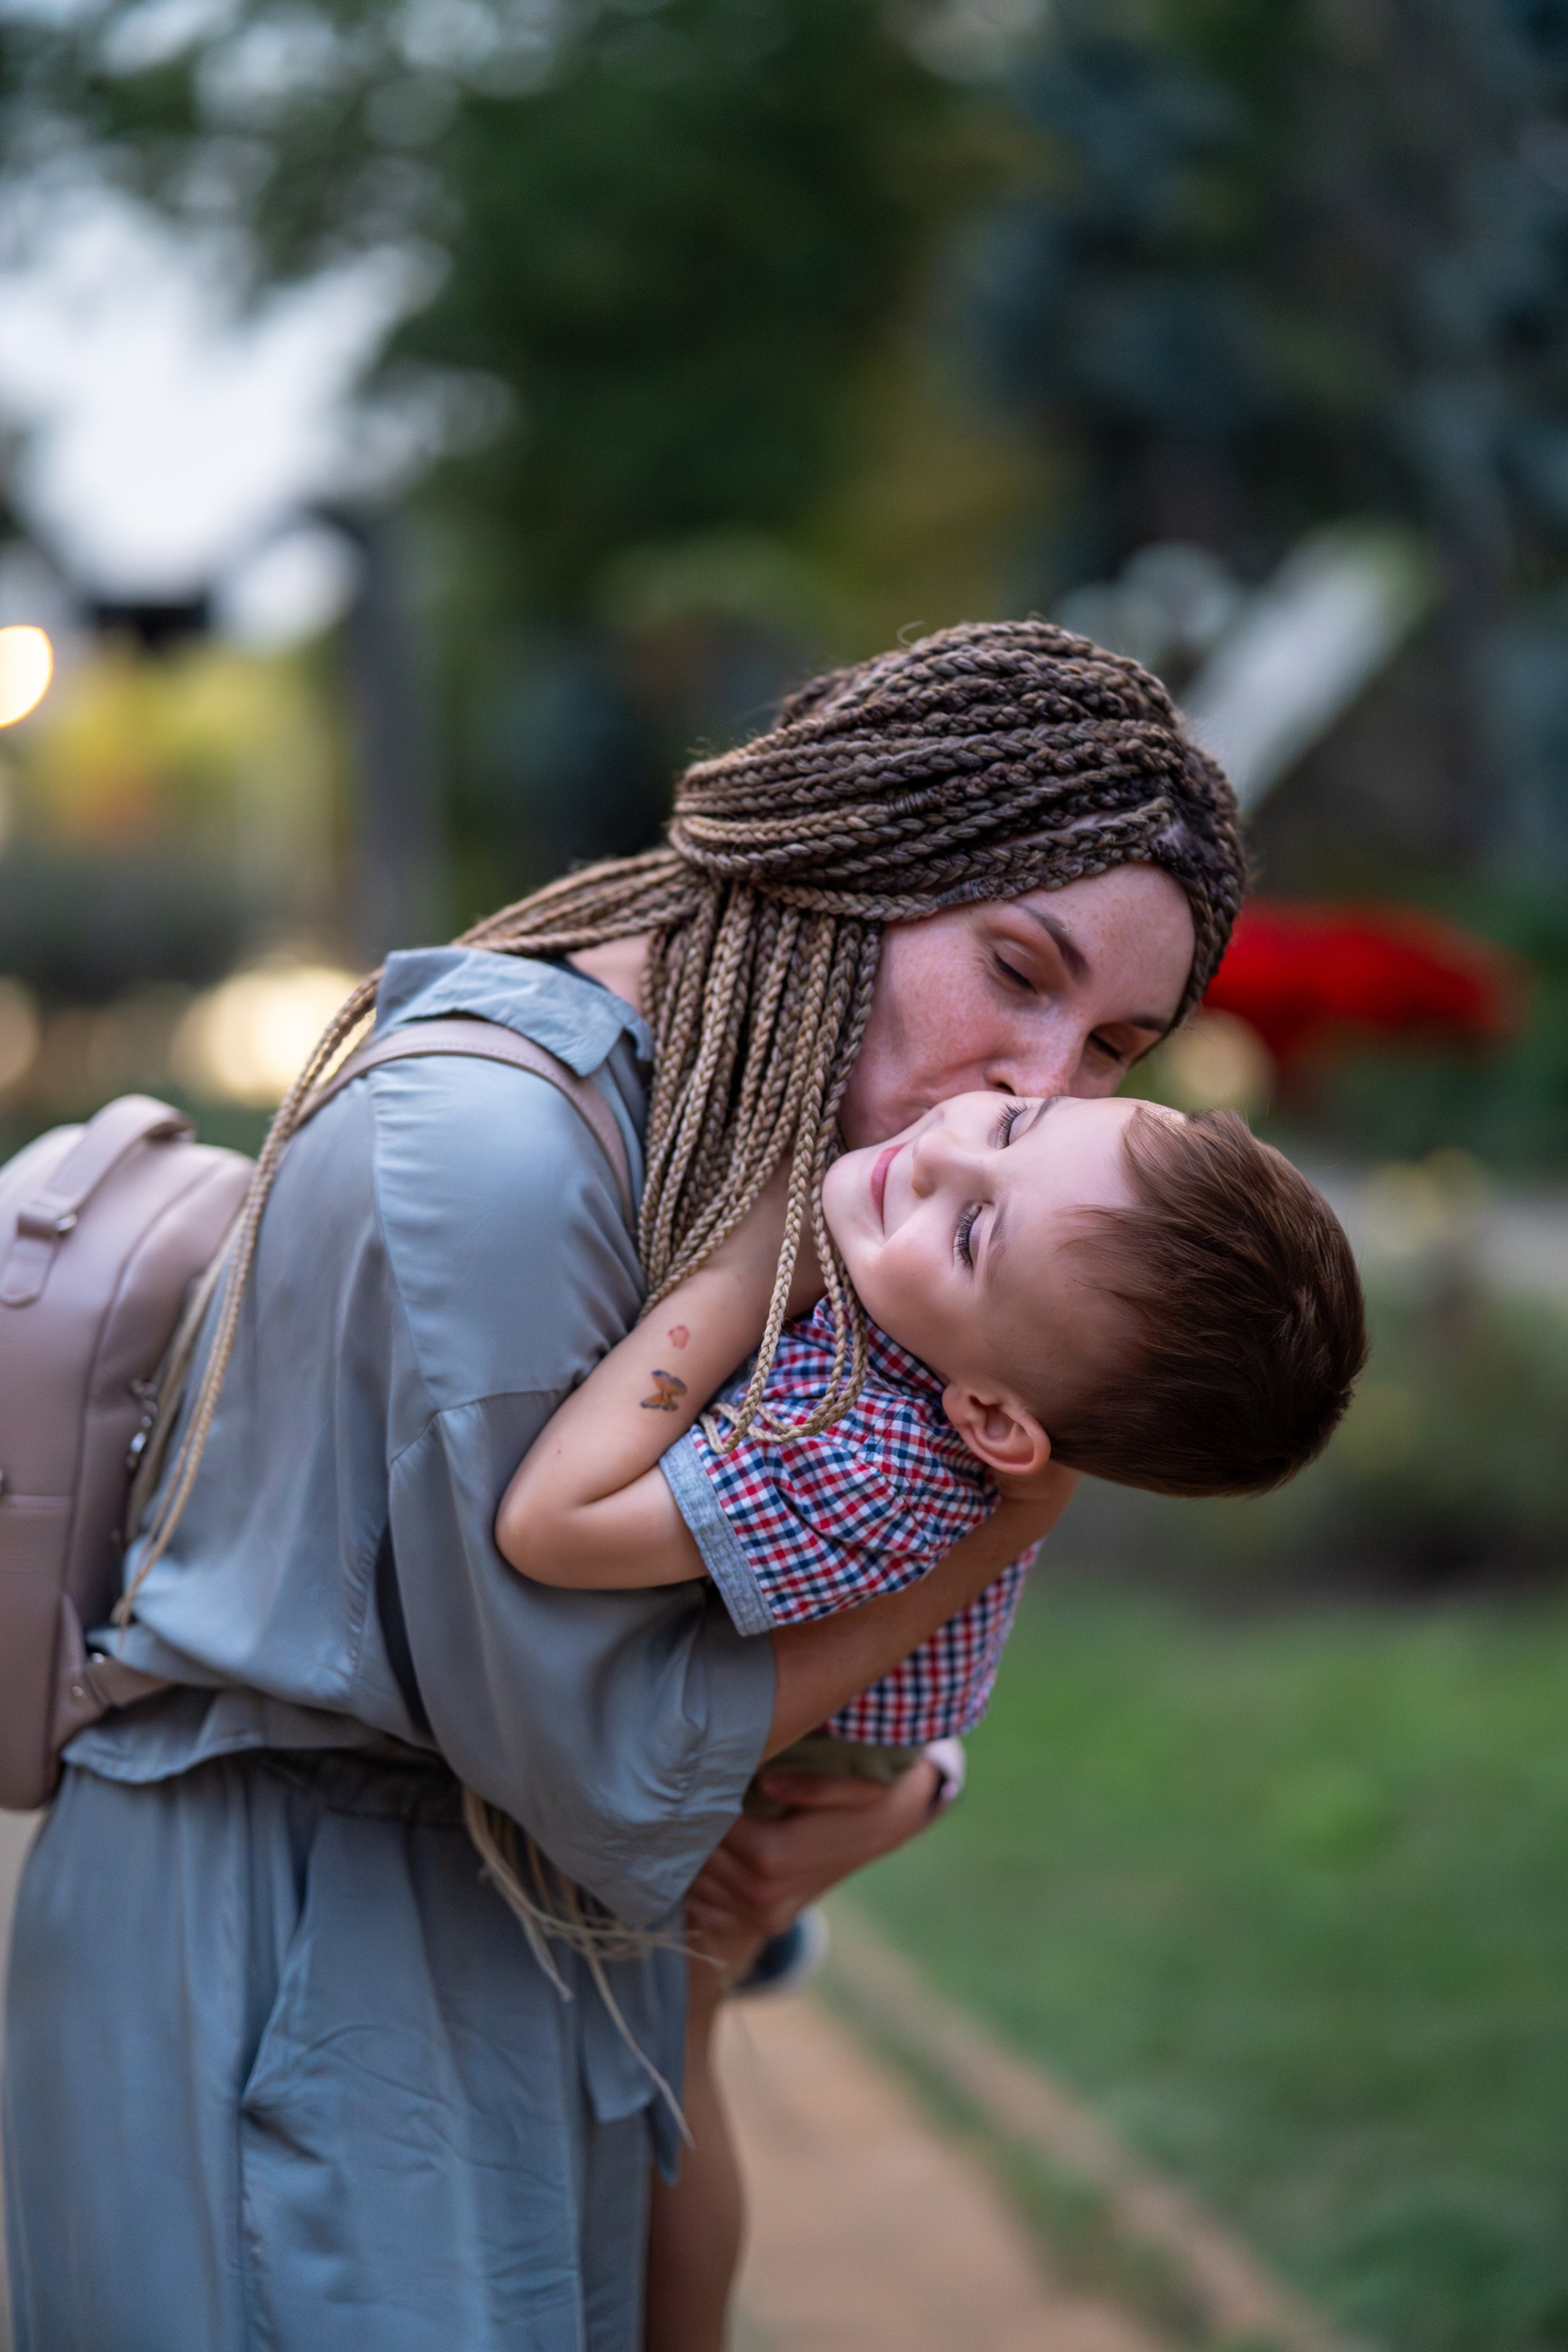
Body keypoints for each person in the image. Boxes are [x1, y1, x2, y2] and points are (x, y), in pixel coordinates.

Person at [3, 622, 1248, 2352]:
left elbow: (743, 1631)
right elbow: (607, 1760)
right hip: (302, 1975)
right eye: (1018, 973)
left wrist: (907, 1775)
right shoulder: (501, 1151)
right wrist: (1007, 1538)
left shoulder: (730, 1148)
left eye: (1112, 1045)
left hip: (472, 1961)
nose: (1036, 1086)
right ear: (852, 860)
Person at [500, 1088, 1366, 2348]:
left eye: (969, 1235)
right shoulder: (947, 1339)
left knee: (659, 2069)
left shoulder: (876, 1444)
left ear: (995, 1421)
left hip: (803, 1759)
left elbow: (550, 1528)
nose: (939, 1152)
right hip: (837, 1718)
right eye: (1015, 1126)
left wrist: (751, 1268)